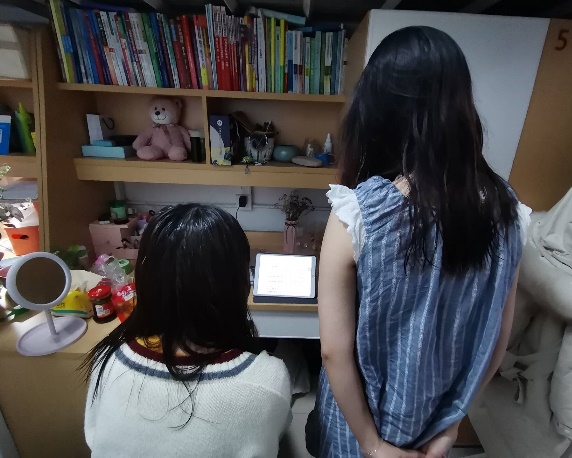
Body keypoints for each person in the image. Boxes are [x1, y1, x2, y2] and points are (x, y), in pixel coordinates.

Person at [309, 26, 530, 457]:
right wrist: (452, 423)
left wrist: (373, 446)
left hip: (359, 433)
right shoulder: (510, 215)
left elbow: (334, 351)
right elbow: (496, 338)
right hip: (434, 428)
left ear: (375, 110)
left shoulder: (356, 214)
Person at [82, 204, 291, 458]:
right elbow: (274, 434)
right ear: (239, 284)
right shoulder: (268, 379)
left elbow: (94, 437)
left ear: (146, 281)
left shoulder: (108, 359)